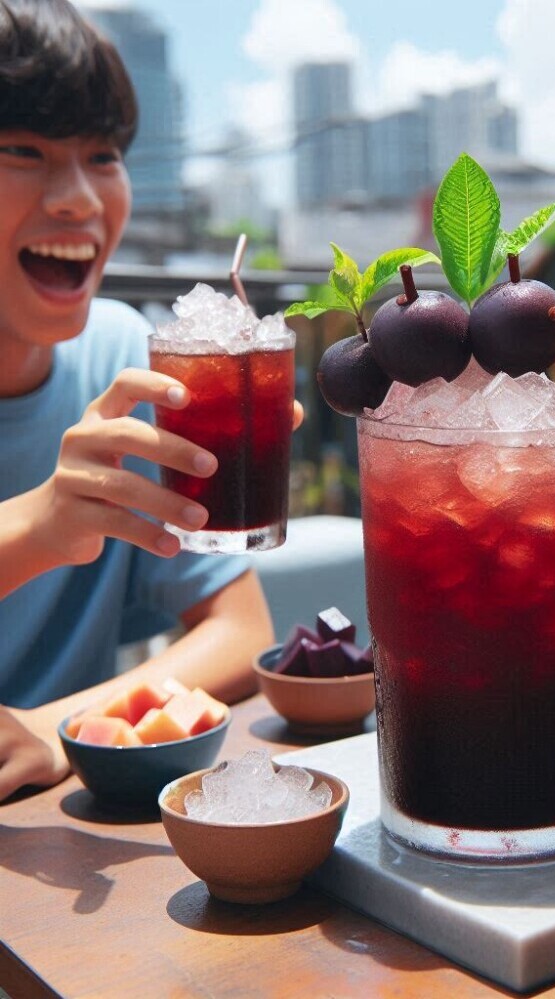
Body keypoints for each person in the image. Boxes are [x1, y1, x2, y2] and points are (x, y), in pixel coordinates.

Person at [0, 0, 282, 801]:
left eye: (104, 154)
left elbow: (240, 629)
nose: (80, 200)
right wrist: (40, 526)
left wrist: (62, 731)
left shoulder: (124, 360)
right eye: (23, 148)